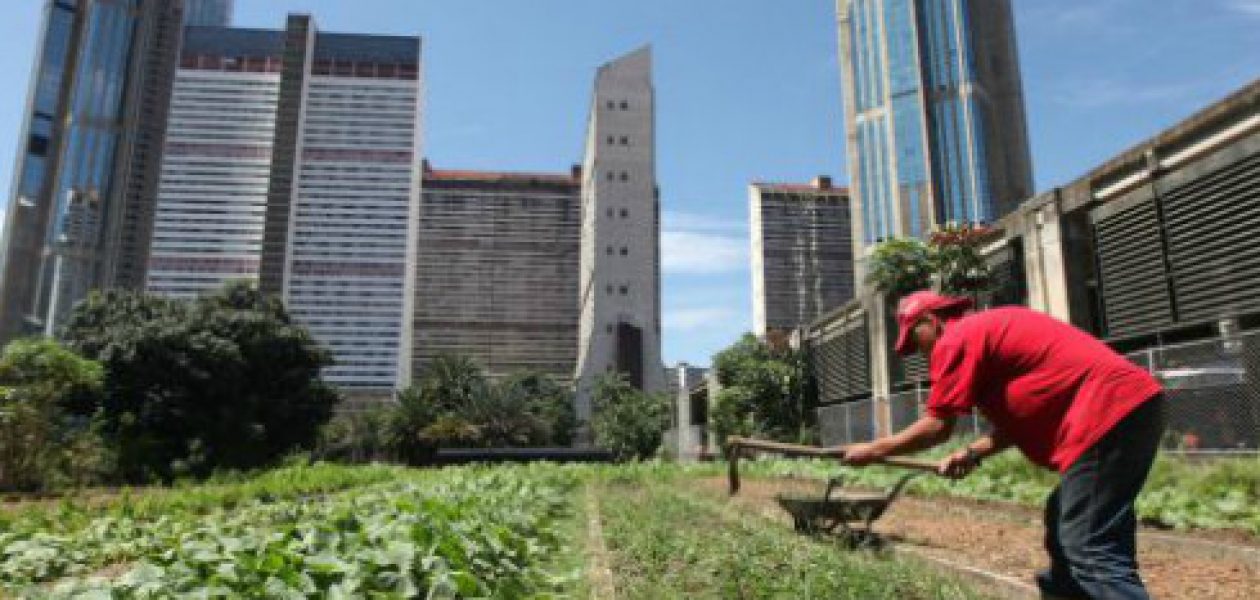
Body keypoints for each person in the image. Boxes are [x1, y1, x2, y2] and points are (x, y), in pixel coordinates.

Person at [843, 291, 1165, 600]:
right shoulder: (983, 335)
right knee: (1068, 525)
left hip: (1107, 412)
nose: (921, 353)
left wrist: (874, 451)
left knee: (1089, 546)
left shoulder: (955, 340)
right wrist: (972, 453)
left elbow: (937, 427)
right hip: (1129, 407)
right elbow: (1020, 419)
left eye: (916, 339)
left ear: (930, 320)